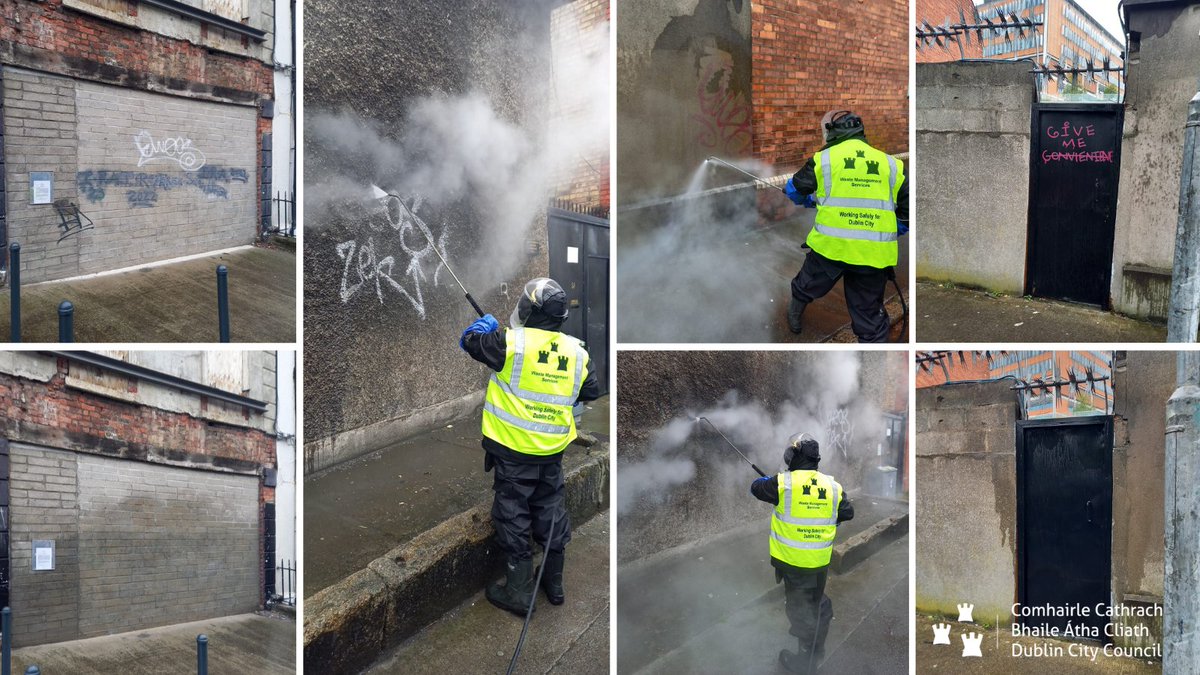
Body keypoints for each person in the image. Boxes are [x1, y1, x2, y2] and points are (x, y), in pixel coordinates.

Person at [460, 277, 600, 616]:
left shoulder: (509, 342)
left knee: (513, 515)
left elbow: (469, 342)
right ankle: (553, 584)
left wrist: (483, 327)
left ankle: (520, 593)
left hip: (513, 451)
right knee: (551, 511)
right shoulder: (576, 352)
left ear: (529, 308)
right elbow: (590, 390)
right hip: (552, 451)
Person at [782, 110, 909, 343]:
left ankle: (795, 312)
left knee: (806, 285)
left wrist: (804, 199)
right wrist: (896, 228)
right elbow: (907, 208)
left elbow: (794, 189)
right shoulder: (891, 164)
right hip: (874, 255)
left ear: (832, 131)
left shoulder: (824, 158)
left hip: (830, 248)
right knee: (869, 318)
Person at [751, 434, 854, 674]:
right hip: (819, 563)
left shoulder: (783, 483)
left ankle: (805, 662)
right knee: (815, 603)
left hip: (793, 563)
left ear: (795, 456)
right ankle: (815, 648)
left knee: (800, 610)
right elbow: (848, 512)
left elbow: (755, 488)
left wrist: (767, 480)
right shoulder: (832, 486)